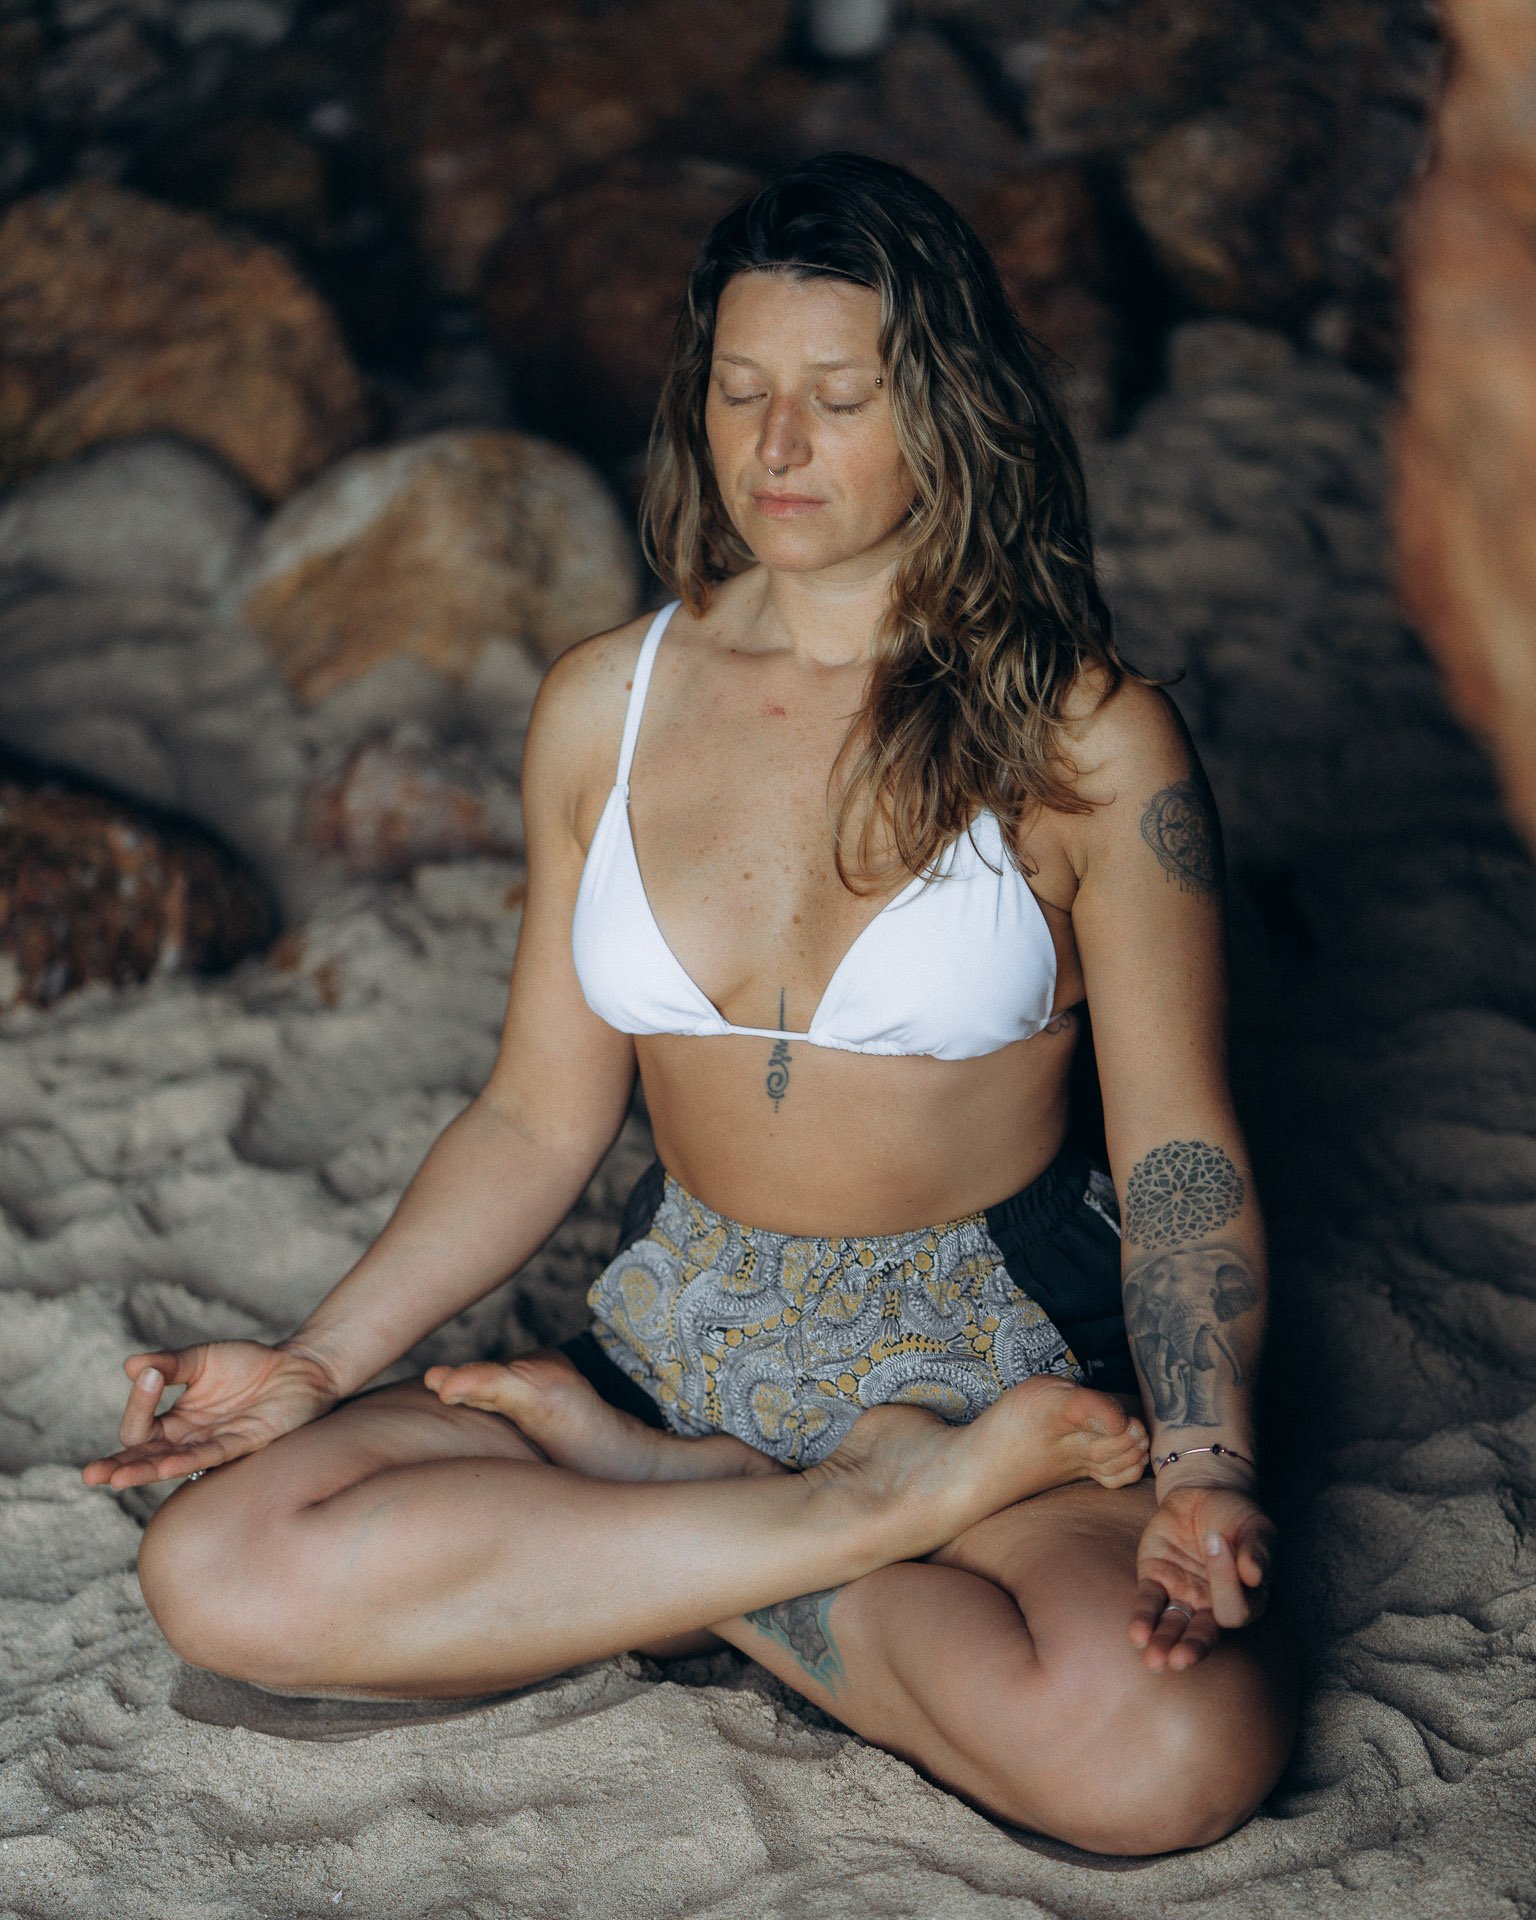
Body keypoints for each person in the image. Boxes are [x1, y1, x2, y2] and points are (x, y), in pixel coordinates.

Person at [83, 152, 1295, 1855]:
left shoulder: (1089, 745)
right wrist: (313, 1365)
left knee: (1168, 1753)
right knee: (215, 1570)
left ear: (946, 414)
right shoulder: (606, 705)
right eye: (738, 392)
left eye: (834, 397)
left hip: (992, 1361)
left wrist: (1205, 1463)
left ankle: (691, 1537)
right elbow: (536, 1112)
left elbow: (1176, 1145)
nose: (774, 449)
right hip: (679, 1337)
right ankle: (792, 1511)